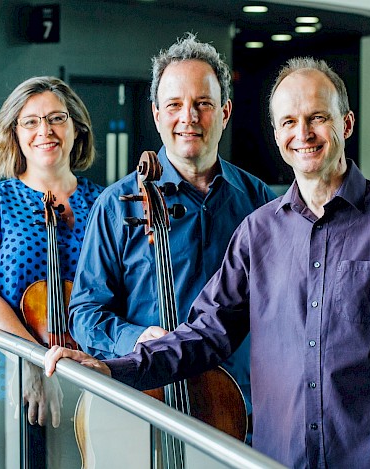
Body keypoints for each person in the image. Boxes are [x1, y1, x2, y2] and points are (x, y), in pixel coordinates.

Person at [45, 57, 370, 468]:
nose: (303, 133)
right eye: (289, 121)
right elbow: (206, 333)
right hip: (273, 457)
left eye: (317, 118)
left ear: (345, 125)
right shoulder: (258, 230)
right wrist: (113, 368)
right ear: (277, 135)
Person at [66, 32, 275, 424]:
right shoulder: (116, 205)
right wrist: (135, 338)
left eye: (203, 104)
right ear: (157, 114)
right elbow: (84, 312)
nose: (188, 117)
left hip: (242, 411)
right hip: (148, 403)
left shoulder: (257, 198)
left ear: (225, 112)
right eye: (175, 104)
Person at [0, 76, 104, 468]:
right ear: (14, 133)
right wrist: (32, 361)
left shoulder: (105, 203)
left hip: (86, 375)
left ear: (76, 128)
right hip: (0, 373)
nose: (44, 131)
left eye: (56, 118)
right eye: (30, 121)